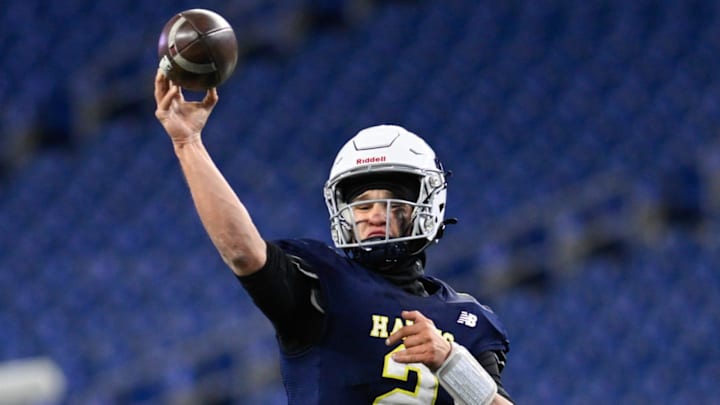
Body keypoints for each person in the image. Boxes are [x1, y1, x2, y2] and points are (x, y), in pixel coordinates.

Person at [154, 70, 514, 405]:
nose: (374, 215)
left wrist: (453, 363)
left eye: (390, 202)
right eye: (361, 205)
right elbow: (243, 252)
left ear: (425, 208)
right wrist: (188, 143)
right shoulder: (324, 284)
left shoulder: (467, 319)